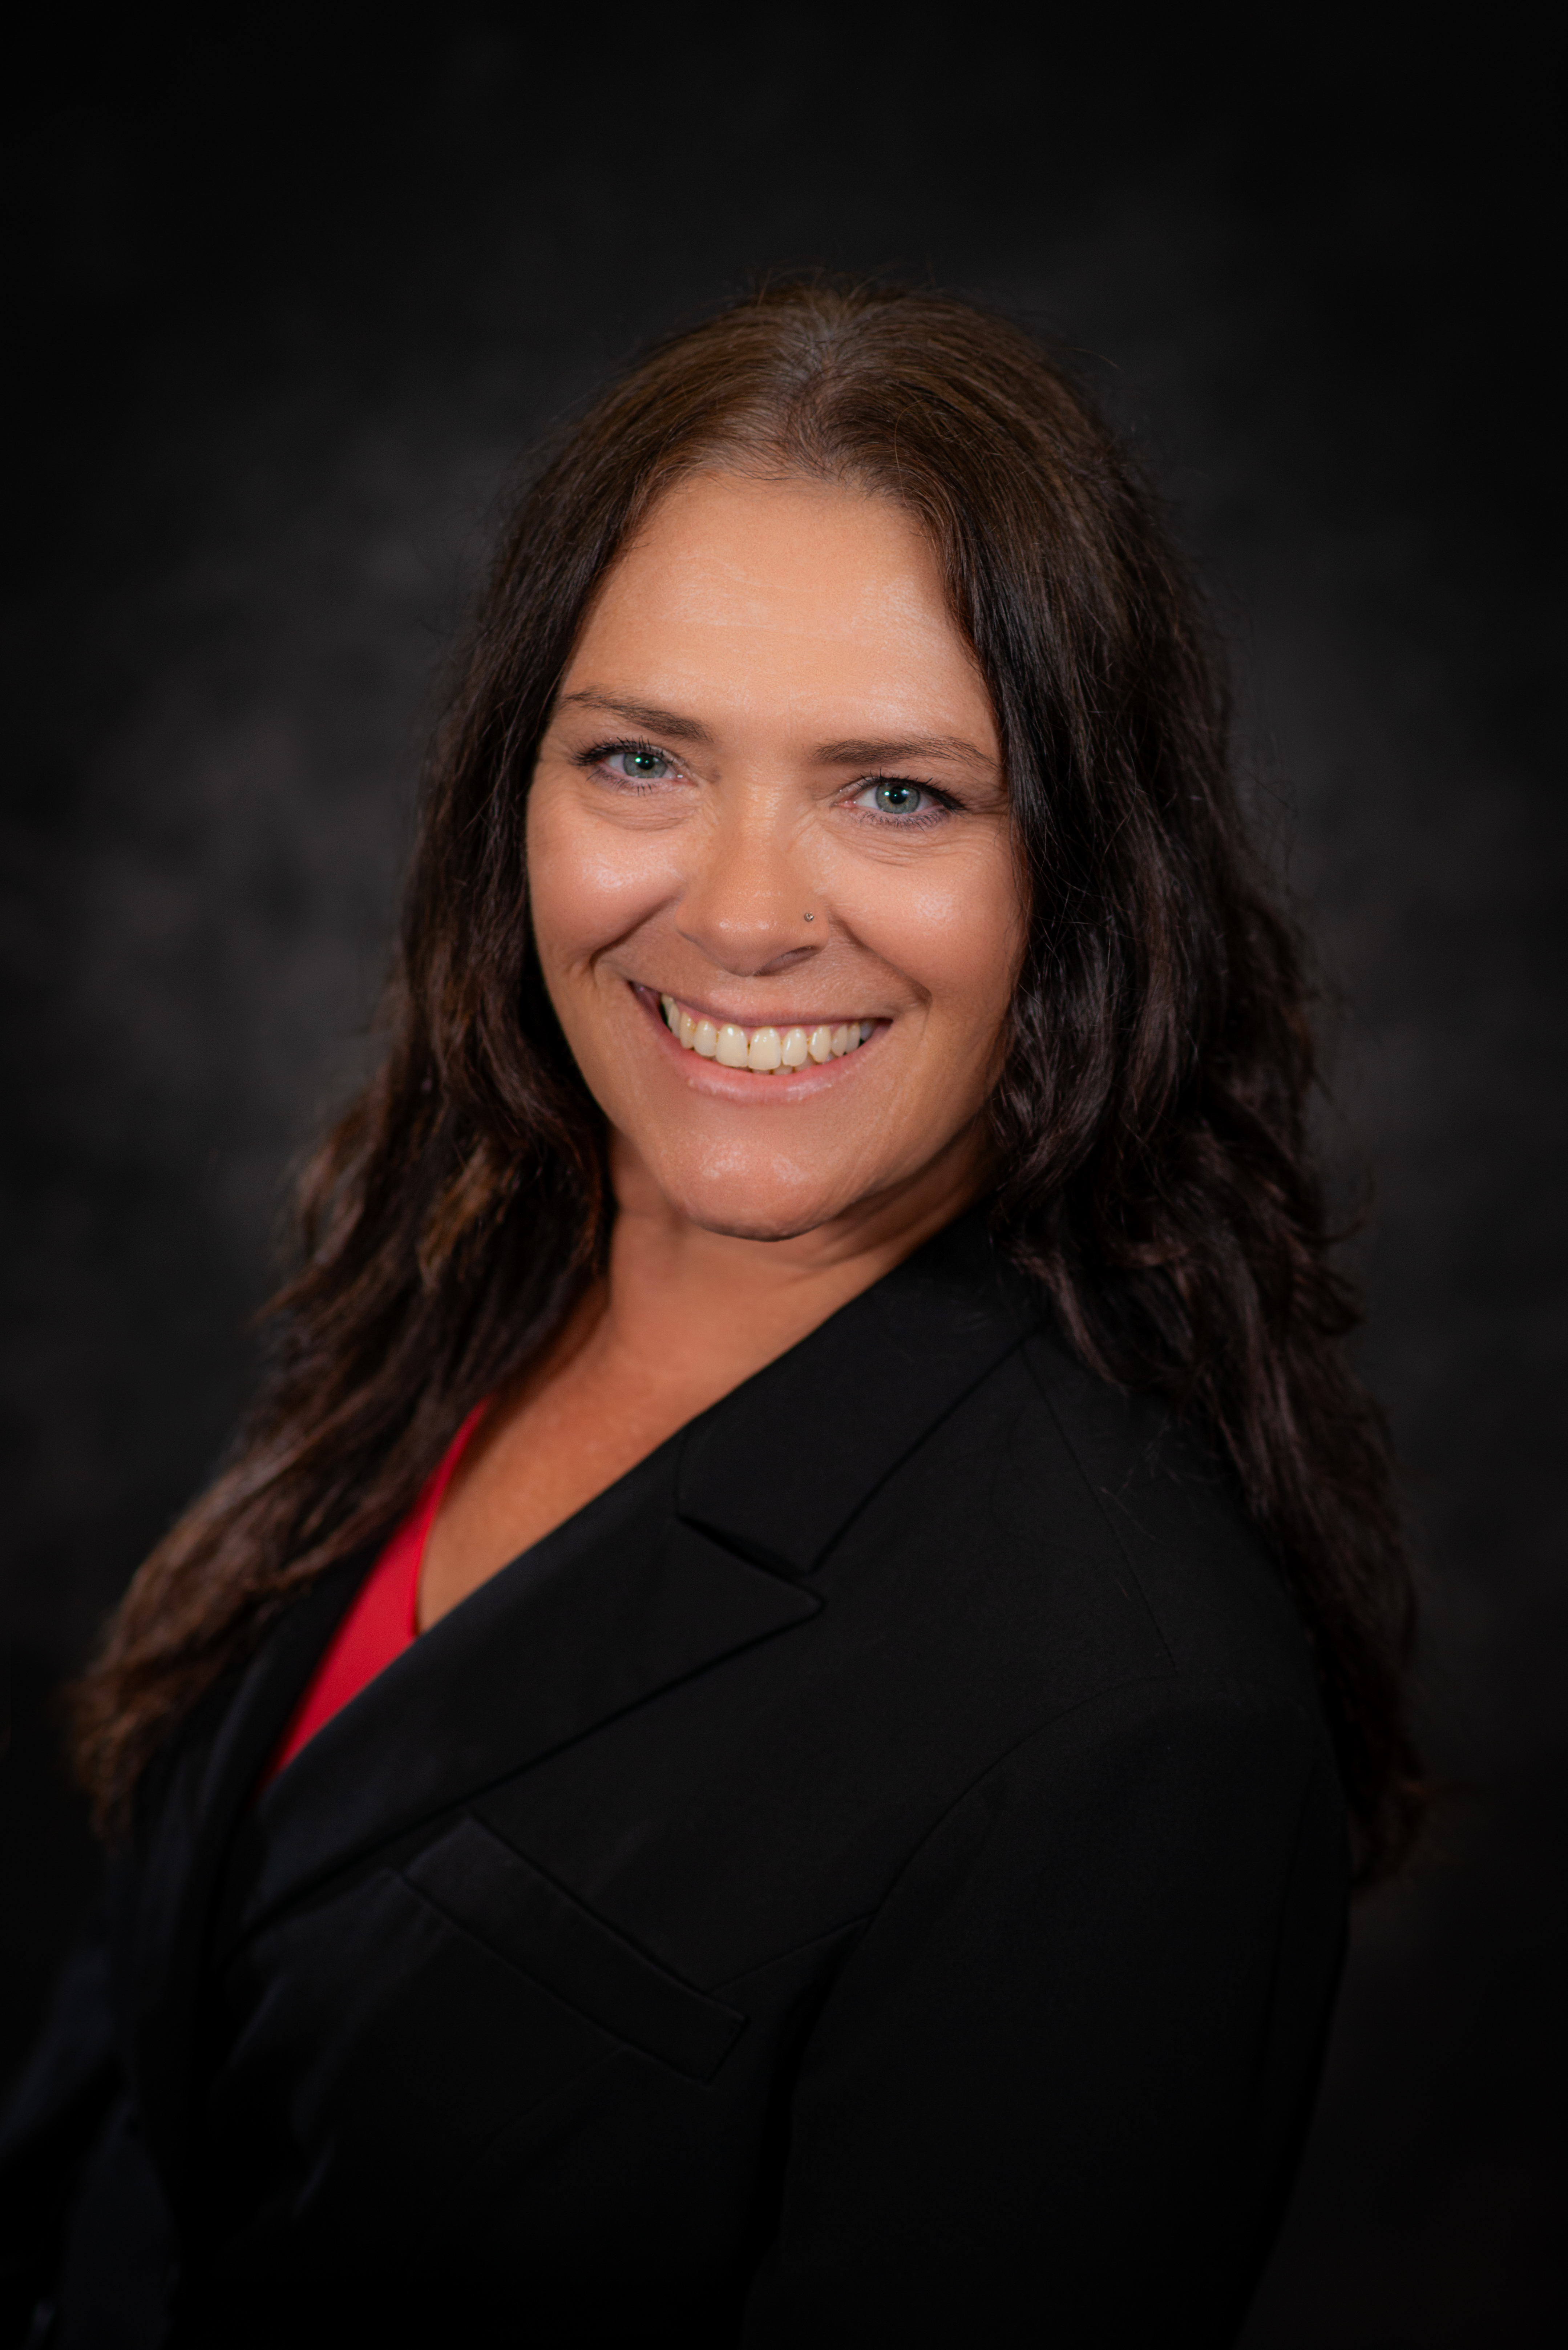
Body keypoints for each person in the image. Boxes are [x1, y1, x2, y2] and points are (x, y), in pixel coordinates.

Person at [0, 278, 1425, 2348]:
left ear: (1081, 885)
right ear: (519, 796)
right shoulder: (455, 1289)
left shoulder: (1138, 1722)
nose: (744, 911)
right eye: (645, 757)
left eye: (900, 792)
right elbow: (143, 2068)